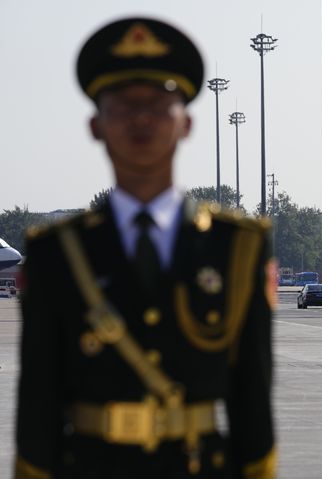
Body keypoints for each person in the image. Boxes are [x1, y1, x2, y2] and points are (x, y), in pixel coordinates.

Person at [14, 17, 276, 479]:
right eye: (121, 104)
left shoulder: (237, 247)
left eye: (158, 103)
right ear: (95, 125)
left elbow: (252, 405)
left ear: (187, 123)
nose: (140, 118)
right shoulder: (58, 252)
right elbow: (38, 409)